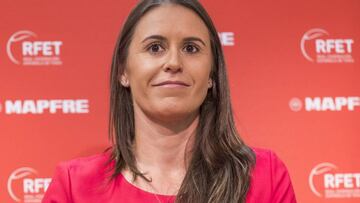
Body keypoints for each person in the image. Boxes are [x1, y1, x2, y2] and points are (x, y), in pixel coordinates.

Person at [42, 0, 297, 202]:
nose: (173, 63)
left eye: (191, 48)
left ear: (211, 74)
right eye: (155, 47)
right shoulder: (74, 185)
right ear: (124, 71)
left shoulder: (265, 176)